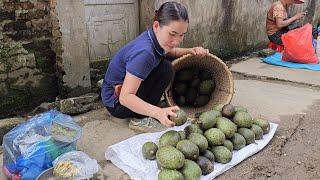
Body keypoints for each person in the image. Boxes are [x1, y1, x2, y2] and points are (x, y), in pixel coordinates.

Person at [101, 1, 209, 132]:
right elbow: (125, 97)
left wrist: (191, 50)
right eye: (172, 34)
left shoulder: (155, 38)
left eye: (181, 35)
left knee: (166, 67)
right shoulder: (145, 53)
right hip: (117, 103)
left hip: (123, 91)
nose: (177, 41)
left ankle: (147, 108)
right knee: (166, 69)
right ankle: (138, 118)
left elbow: (172, 52)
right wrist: (158, 112)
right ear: (156, 26)